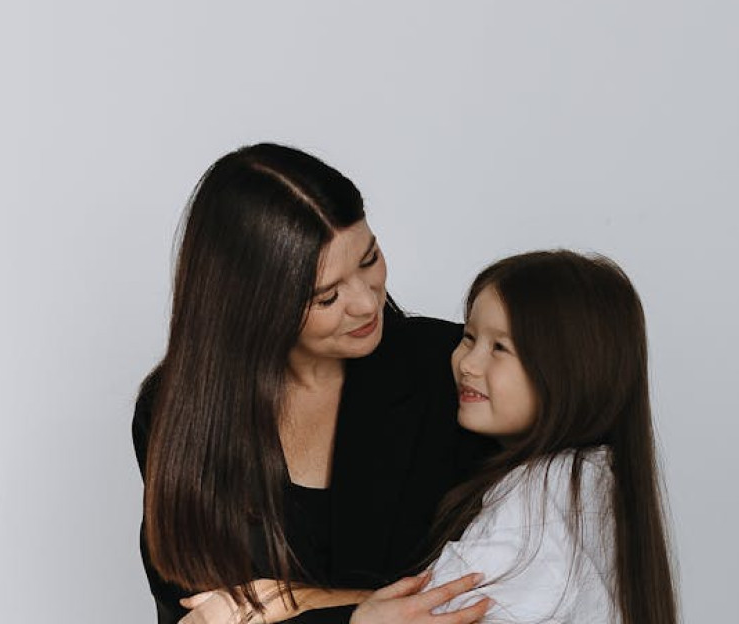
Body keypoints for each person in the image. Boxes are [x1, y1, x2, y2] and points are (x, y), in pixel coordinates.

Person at [131, 143, 496, 624]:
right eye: (327, 296)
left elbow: (514, 580)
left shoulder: (453, 367)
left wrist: (293, 600)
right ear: (253, 304)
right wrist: (359, 616)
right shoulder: (176, 410)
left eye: (369, 260)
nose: (367, 304)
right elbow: (198, 617)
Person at [352, 250, 678, 624]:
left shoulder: (540, 497)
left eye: (499, 348)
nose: (467, 363)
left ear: (568, 370)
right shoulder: (597, 481)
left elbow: (433, 613)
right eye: (469, 337)